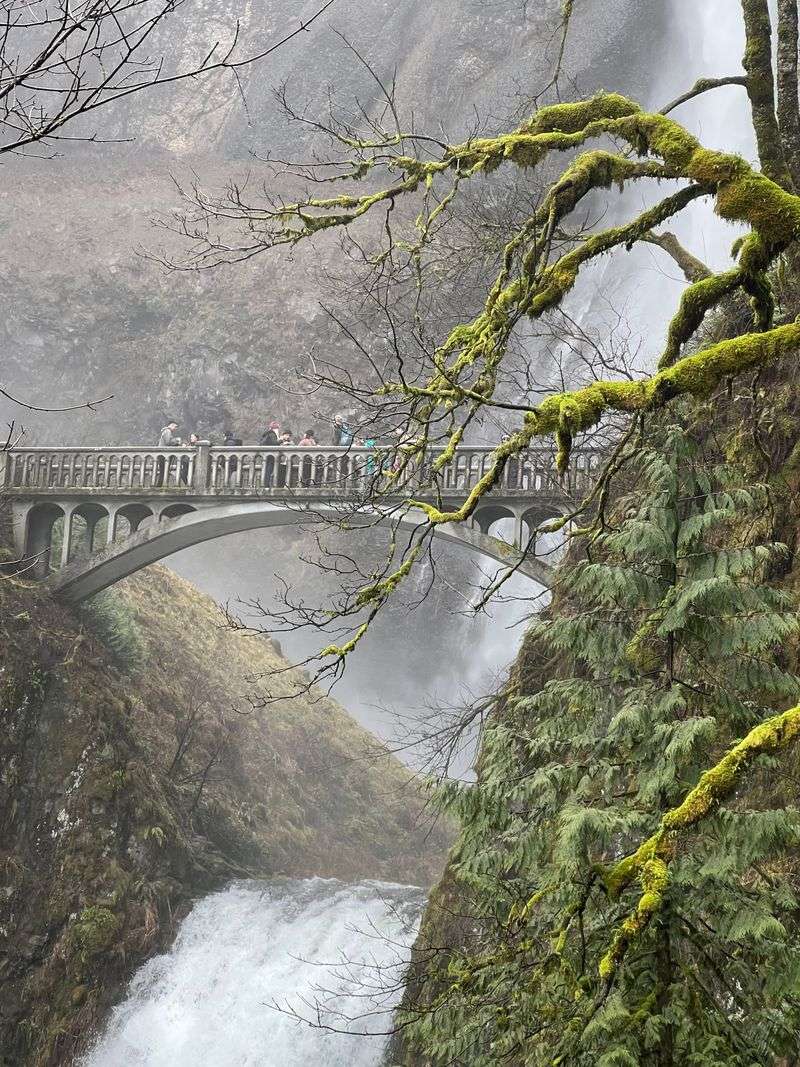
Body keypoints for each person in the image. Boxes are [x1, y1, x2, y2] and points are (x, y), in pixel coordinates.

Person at [156, 420, 178, 485]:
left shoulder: (166, 431)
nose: (175, 429)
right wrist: (177, 441)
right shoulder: (168, 431)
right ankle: (159, 485)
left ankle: (160, 485)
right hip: (163, 454)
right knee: (163, 471)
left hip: (162, 454)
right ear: (171, 425)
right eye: (175, 427)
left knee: (163, 471)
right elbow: (168, 442)